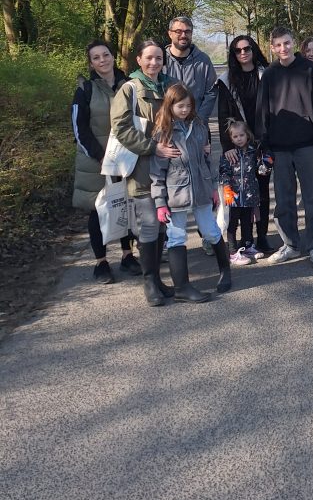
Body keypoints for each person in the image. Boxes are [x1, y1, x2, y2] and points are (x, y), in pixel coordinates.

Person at [110, 39, 180, 306]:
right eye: (149, 58)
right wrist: (152, 148)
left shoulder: (170, 84)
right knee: (149, 223)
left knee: (162, 223)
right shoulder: (129, 88)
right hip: (141, 167)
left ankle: (159, 280)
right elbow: (121, 127)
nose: (154, 63)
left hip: (168, 168)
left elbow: (183, 114)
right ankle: (149, 281)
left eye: (159, 58)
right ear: (138, 60)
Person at [149, 82, 229, 300]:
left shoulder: (199, 127)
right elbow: (157, 172)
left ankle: (225, 271)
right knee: (176, 237)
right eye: (179, 106)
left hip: (202, 189)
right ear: (170, 106)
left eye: (187, 106)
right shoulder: (163, 134)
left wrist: (213, 188)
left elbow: (206, 160)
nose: (184, 110)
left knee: (211, 231)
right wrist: (160, 203)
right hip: (176, 194)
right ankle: (182, 288)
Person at [257, 26, 313, 269]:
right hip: (280, 148)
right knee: (284, 201)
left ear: (293, 43)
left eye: (286, 43)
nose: (283, 49)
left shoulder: (309, 70)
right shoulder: (269, 74)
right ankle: (290, 244)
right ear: (272, 47)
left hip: (308, 145)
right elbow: (262, 112)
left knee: (312, 199)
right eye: (277, 45)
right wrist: (265, 146)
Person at [71, 40, 139, 283]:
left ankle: (128, 255)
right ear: (91, 63)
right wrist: (102, 157)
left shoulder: (129, 84)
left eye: (106, 55)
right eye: (96, 57)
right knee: (97, 210)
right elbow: (79, 129)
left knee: (125, 205)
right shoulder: (85, 89)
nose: (102, 60)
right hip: (95, 162)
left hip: (125, 158)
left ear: (113, 56)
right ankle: (101, 263)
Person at [218, 33, 274, 254]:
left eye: (247, 49)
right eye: (238, 50)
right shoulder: (226, 80)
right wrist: (227, 147)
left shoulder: (266, 75)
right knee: (238, 194)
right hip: (238, 147)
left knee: (261, 193)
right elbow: (223, 115)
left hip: (261, 145)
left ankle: (260, 237)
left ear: (253, 50)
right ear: (233, 54)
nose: (243, 53)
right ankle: (240, 239)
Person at [218, 118, 261, 264]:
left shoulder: (252, 151)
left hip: (249, 194)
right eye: (235, 136)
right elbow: (223, 172)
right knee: (233, 222)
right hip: (233, 195)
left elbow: (259, 167)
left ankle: (248, 246)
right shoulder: (229, 155)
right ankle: (232, 251)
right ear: (231, 138)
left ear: (247, 135)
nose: (239, 139)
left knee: (247, 221)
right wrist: (226, 188)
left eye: (241, 135)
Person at [164, 15, 217, 125]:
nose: (183, 35)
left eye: (187, 31)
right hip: (168, 126)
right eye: (178, 31)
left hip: (198, 126)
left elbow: (211, 92)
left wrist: (200, 119)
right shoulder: (161, 60)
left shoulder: (203, 60)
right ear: (170, 33)